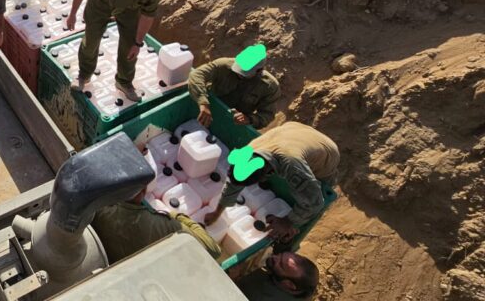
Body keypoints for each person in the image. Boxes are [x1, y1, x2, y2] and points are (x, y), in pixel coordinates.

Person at [205, 121, 340, 242]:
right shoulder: (249, 150)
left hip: (326, 152)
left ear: (266, 175)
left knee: (316, 188)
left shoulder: (291, 164)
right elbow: (234, 182)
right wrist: (217, 212)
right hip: (297, 131)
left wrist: (288, 221)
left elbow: (315, 202)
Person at [65, 0, 164, 102]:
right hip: (100, 4)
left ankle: (124, 82)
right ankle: (84, 75)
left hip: (129, 9)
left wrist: (138, 43)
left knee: (130, 46)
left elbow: (147, 15)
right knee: (91, 40)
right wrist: (72, 14)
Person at [92, 188, 221, 263]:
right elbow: (213, 250)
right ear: (143, 190)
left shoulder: (95, 208)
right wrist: (177, 216)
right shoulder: (164, 226)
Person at [188, 44, 281, 129]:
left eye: (244, 73)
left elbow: (267, 115)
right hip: (209, 107)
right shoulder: (224, 65)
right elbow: (196, 75)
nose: (239, 74)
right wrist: (203, 103)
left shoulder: (269, 87)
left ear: (259, 71)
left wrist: (249, 119)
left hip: (233, 123)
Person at [234, 249, 321, 299]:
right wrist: (285, 242)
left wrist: (233, 278)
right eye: (280, 254)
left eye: (280, 264)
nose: (274, 257)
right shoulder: (302, 285)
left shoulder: (261, 295)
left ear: (289, 284)